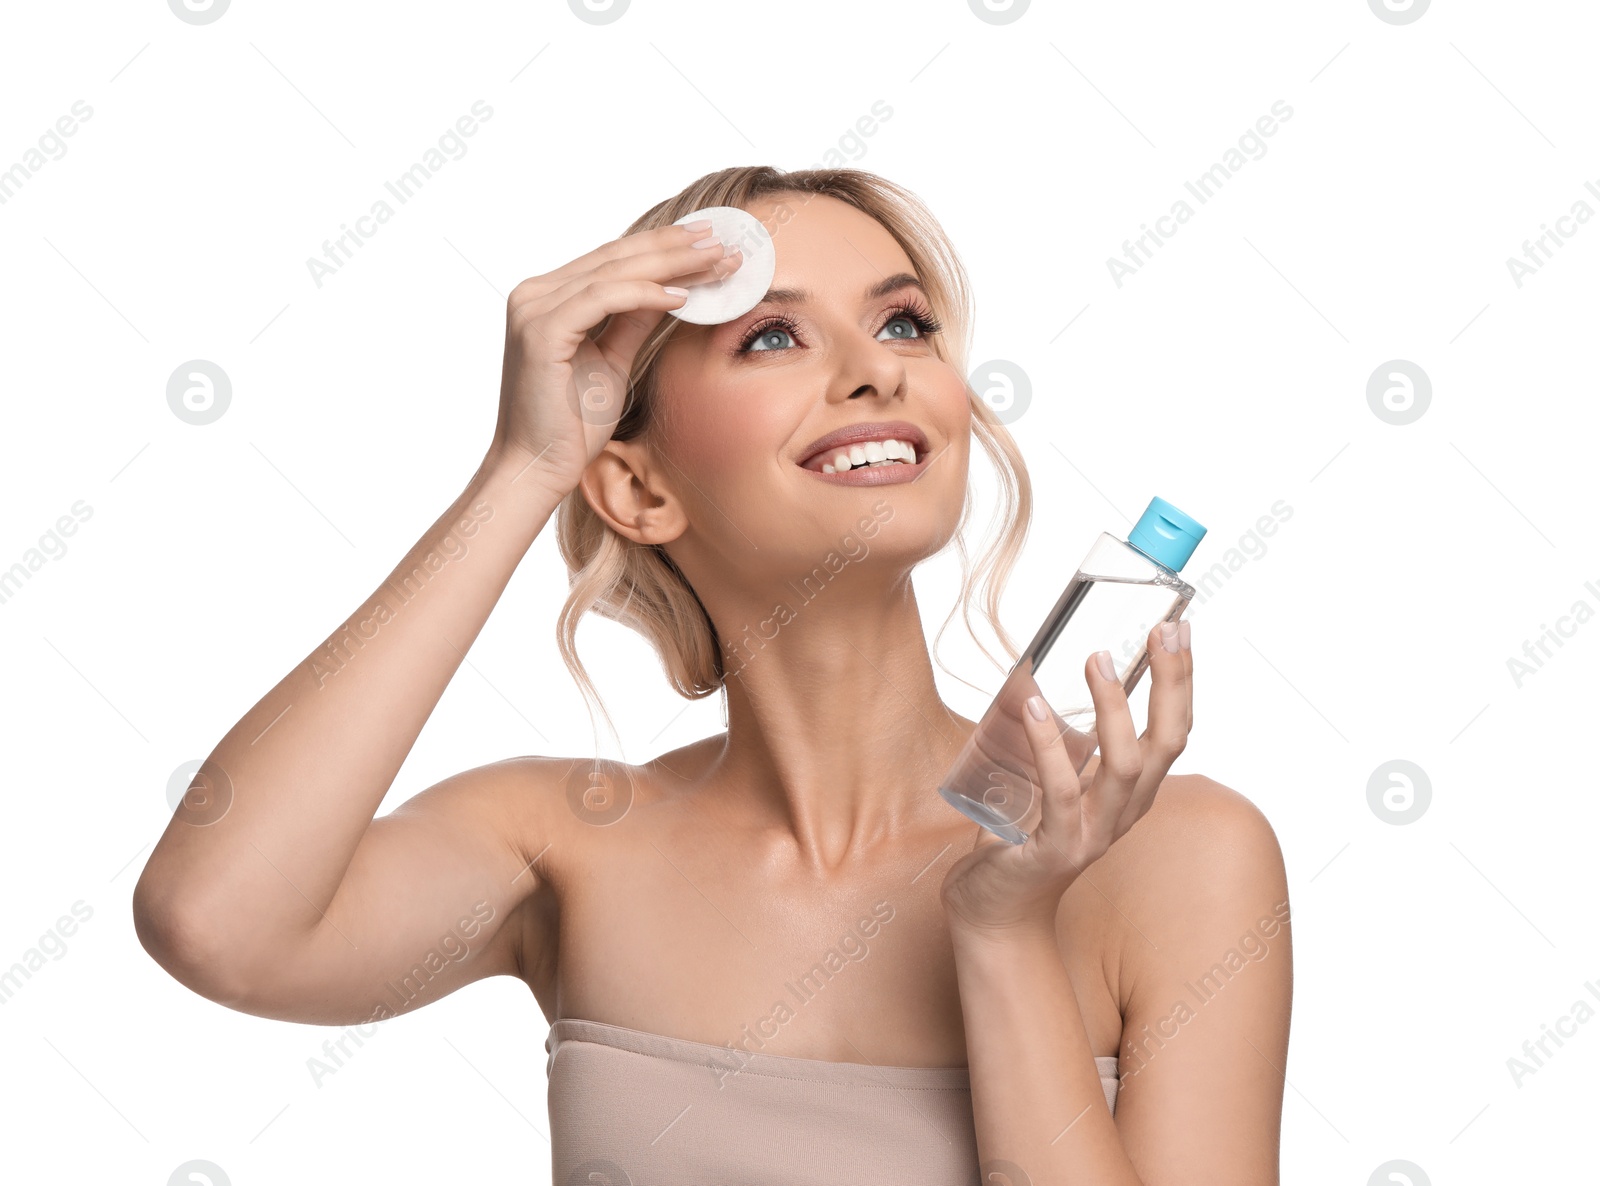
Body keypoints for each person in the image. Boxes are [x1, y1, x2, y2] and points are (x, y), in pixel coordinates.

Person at [133, 165, 1292, 1184]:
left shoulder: (1173, 857)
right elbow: (217, 922)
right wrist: (527, 464)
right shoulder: (562, 845)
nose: (874, 373)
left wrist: (1001, 929)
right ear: (638, 489)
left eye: (903, 324)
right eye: (773, 338)